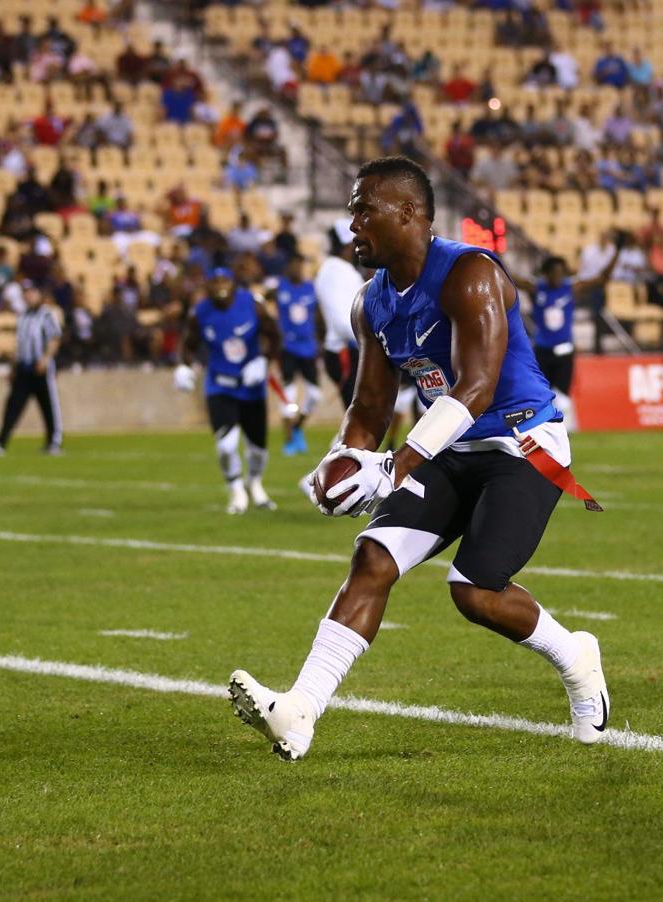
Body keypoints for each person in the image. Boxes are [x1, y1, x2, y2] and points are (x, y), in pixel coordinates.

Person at [228, 156, 608, 762]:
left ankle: (576, 657)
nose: (352, 225)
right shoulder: (370, 303)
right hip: (449, 447)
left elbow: (476, 387)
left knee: (475, 590)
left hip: (520, 443)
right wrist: (345, 460)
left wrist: (394, 467)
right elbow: (372, 404)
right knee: (373, 557)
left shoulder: (470, 272)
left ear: (408, 213)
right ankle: (299, 711)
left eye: (362, 209)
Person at [173, 268, 281, 515]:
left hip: (251, 386)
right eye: (215, 282)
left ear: (233, 284)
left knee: (257, 448)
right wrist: (182, 366)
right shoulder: (200, 312)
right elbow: (187, 344)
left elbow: (274, 336)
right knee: (226, 445)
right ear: (207, 286)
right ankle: (236, 489)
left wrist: (263, 361)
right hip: (219, 385)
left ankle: (255, 484)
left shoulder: (252, 304)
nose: (220, 286)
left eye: (224, 281)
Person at [510, 240, 623, 427]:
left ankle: (565, 428)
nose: (558, 277)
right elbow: (510, 278)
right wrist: (492, 256)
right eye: (554, 273)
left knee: (563, 394)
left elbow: (602, 279)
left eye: (561, 273)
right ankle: (540, 427)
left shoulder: (571, 288)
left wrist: (617, 253)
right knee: (539, 392)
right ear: (546, 274)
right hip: (542, 349)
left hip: (564, 349)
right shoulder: (537, 288)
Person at [0, 281, 64, 456]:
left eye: (31, 291)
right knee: (12, 405)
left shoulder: (47, 315)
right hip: (24, 368)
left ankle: (53, 441)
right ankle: (1, 441)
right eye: (25, 292)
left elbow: (54, 338)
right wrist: (13, 368)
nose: (28, 295)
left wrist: (46, 358)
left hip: (40, 368)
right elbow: (20, 345)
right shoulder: (23, 316)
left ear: (39, 294)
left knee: (48, 406)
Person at [270, 255, 322, 456]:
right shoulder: (279, 288)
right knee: (288, 396)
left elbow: (318, 316)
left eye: (300, 265)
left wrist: (319, 340)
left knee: (315, 395)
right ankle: (289, 440)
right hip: (288, 348)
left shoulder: (311, 288)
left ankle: (297, 427)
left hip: (308, 348)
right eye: (294, 264)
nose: (297, 269)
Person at [314, 219, 364, 408]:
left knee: (360, 418)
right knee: (358, 417)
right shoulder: (334, 271)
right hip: (344, 349)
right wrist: (369, 340)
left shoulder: (340, 269)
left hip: (349, 348)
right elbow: (341, 319)